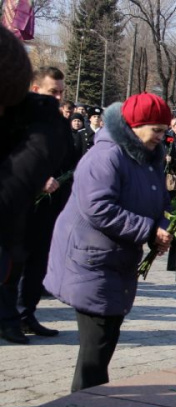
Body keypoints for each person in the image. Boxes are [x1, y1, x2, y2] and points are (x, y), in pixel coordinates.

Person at [44, 93, 173, 389]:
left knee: (103, 344)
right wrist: (149, 231)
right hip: (89, 260)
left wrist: (164, 226)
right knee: (96, 349)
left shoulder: (148, 157)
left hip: (114, 261)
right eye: (157, 130)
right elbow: (98, 208)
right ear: (134, 126)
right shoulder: (107, 155)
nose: (162, 136)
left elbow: (161, 200)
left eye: (164, 130)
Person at [0, 30, 72, 344]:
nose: (56, 99)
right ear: (33, 89)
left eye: (60, 93)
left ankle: (27, 313)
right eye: (51, 92)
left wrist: (57, 178)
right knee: (12, 264)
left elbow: (74, 162)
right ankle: (9, 319)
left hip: (49, 205)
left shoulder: (56, 127)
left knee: (38, 263)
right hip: (20, 207)